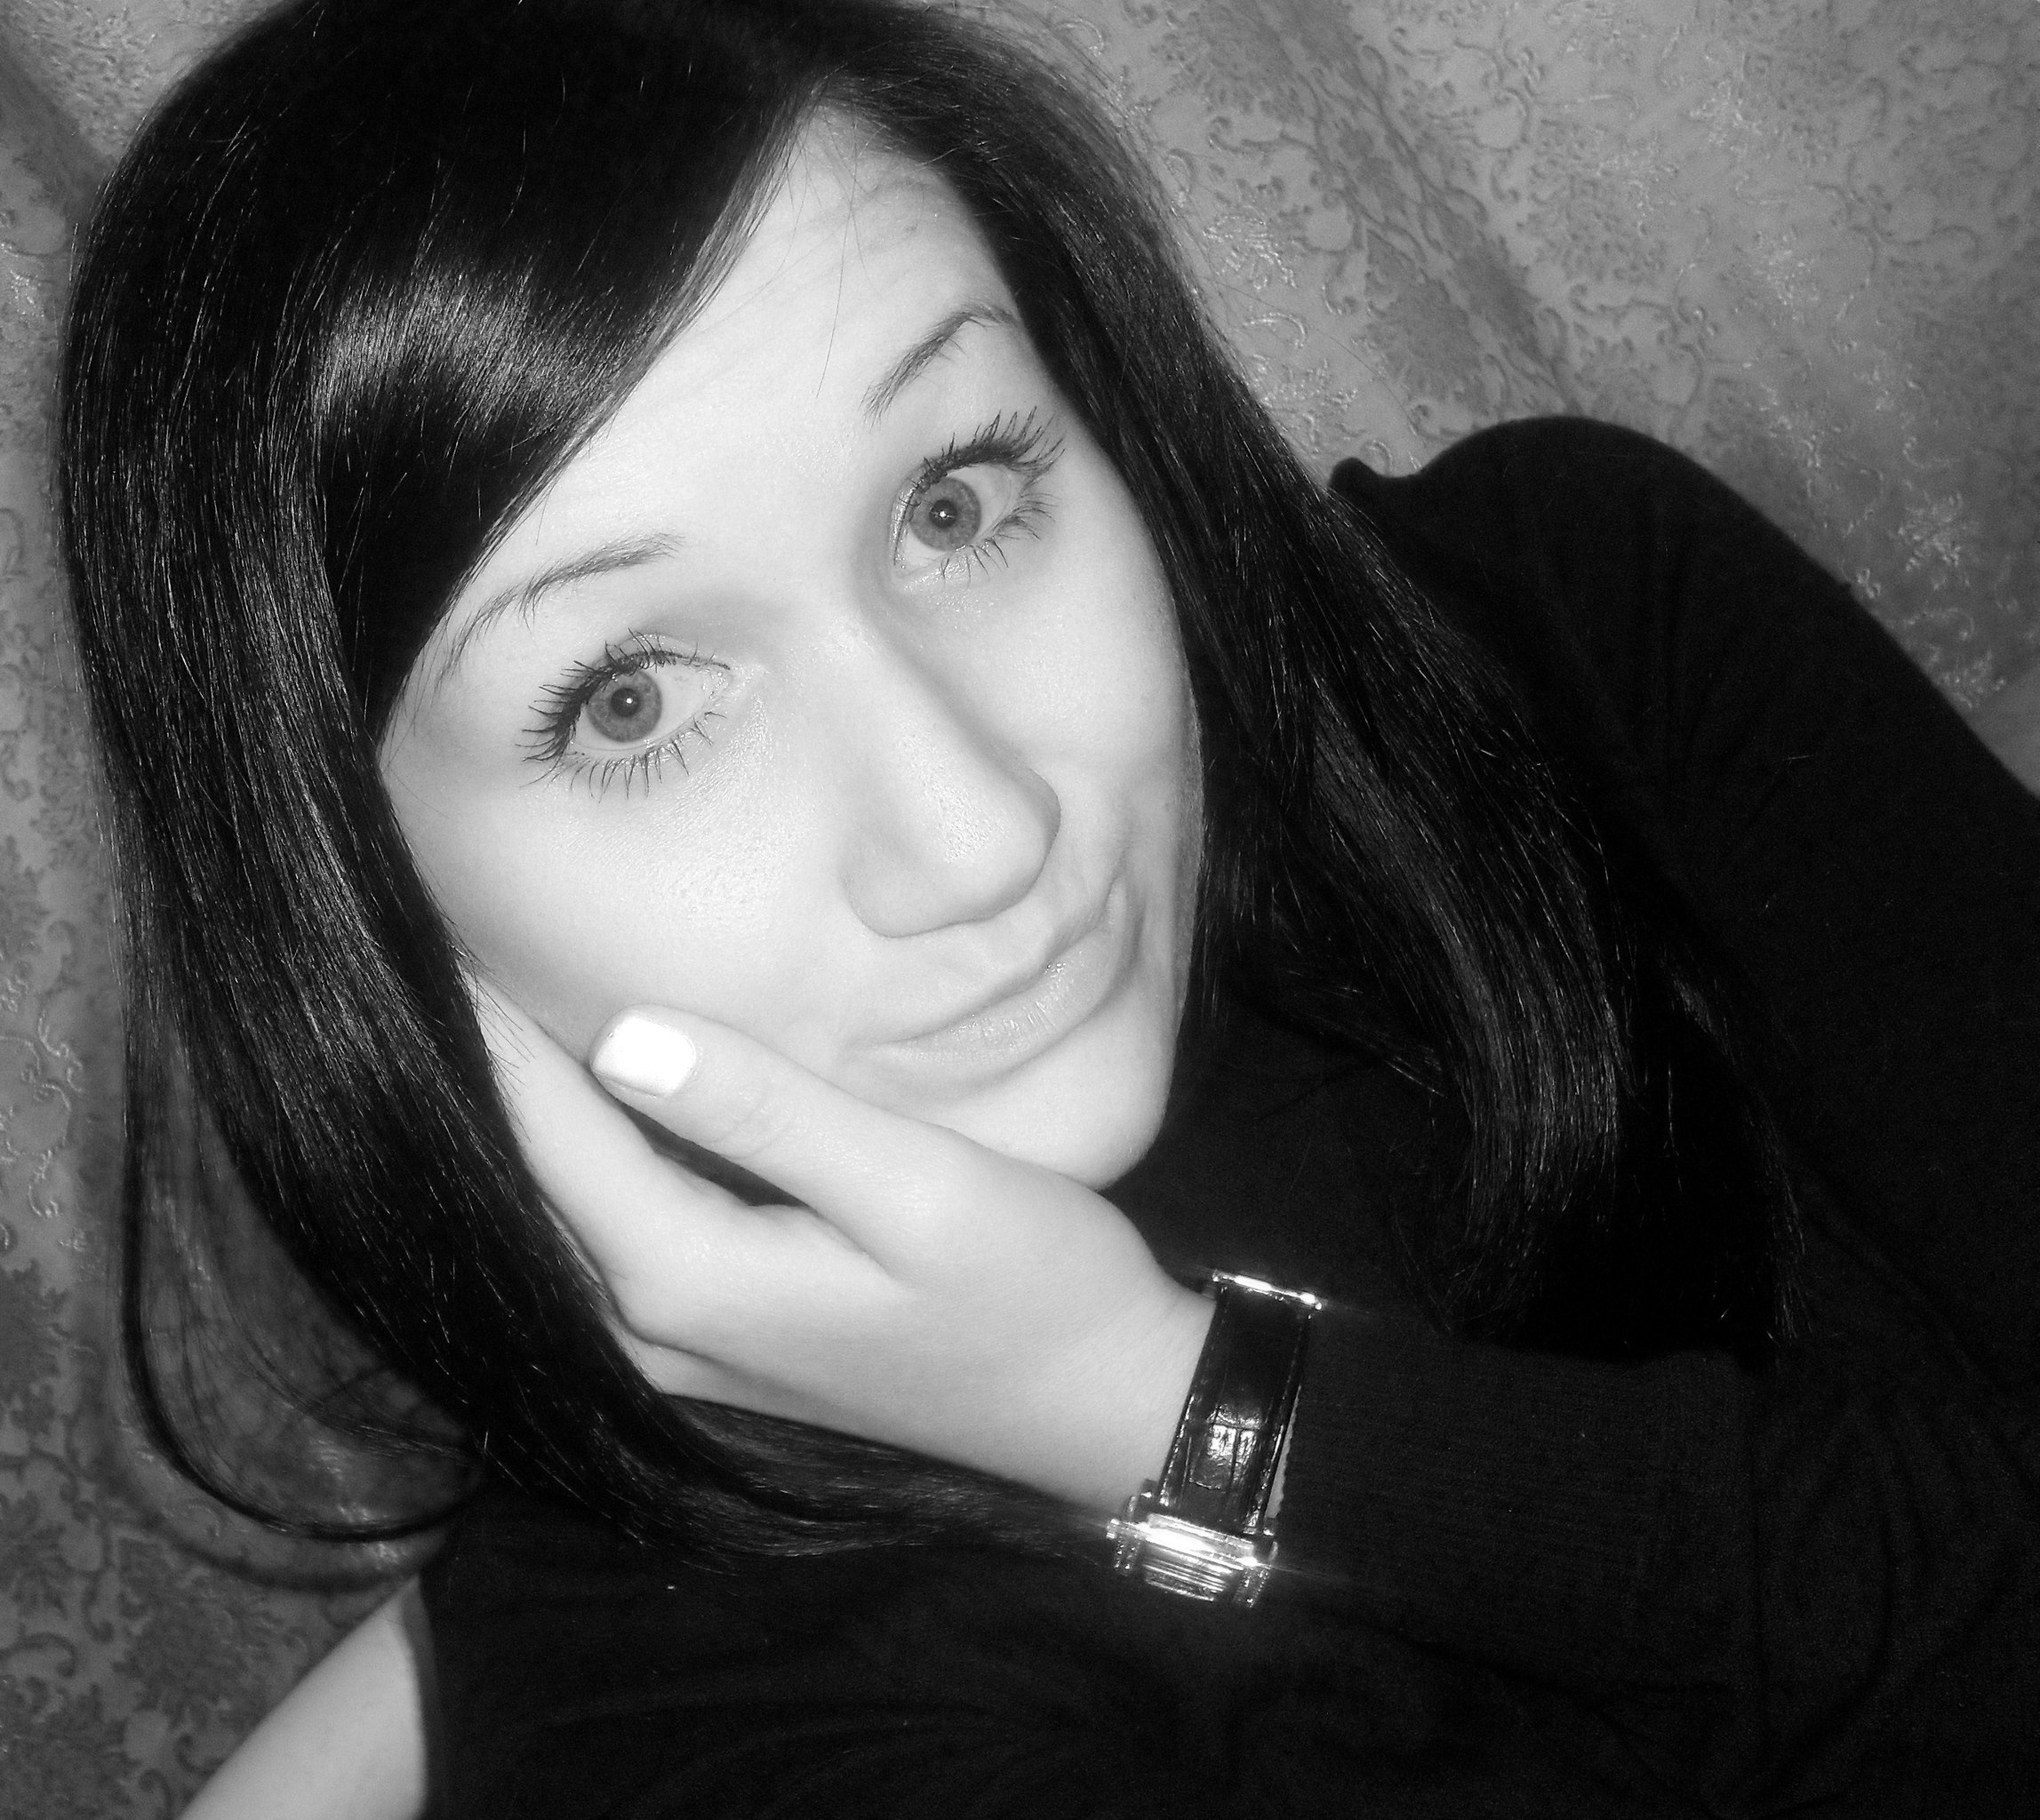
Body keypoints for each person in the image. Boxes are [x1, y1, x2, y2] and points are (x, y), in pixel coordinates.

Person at [55, 0, 2039, 1814]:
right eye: (633, 700)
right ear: (351, 890)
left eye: (953, 501)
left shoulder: (1565, 626)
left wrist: (1165, 1403)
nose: (980, 829)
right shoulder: (690, 1702)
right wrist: (1169, 1415)